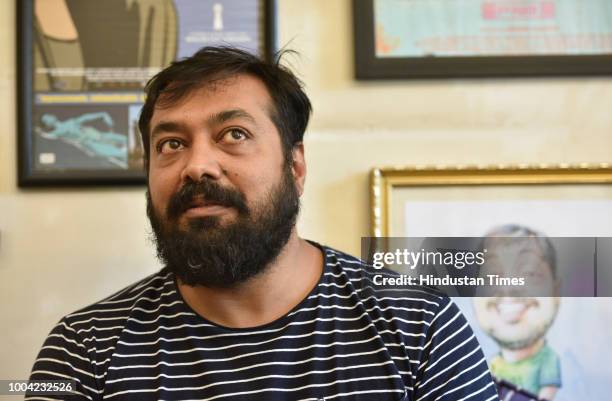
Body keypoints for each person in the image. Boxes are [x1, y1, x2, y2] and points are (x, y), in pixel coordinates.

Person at [28, 46, 500, 401]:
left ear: (295, 167)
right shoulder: (83, 350)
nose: (197, 166)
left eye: (234, 135)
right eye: (171, 143)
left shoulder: (419, 329)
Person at [473, 225, 561, 400]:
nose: (508, 288)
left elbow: (548, 391)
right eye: (492, 276)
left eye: (528, 273)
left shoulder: (548, 359)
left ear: (556, 292)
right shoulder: (494, 363)